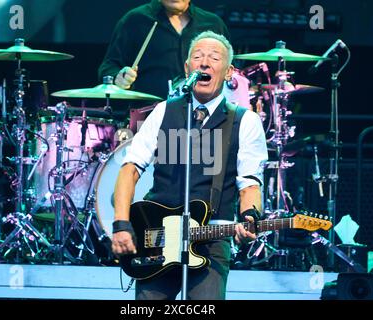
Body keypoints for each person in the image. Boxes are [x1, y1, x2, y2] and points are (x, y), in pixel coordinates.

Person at [111, 31, 268, 300]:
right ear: (187, 68)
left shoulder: (245, 121)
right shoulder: (164, 111)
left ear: (228, 72)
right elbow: (130, 169)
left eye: (214, 58)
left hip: (211, 238)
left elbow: (249, 183)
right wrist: (121, 224)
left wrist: (250, 217)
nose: (204, 63)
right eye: (197, 57)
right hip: (156, 237)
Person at [98, 0, 230, 100]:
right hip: (148, 117)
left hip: (202, 118)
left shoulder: (213, 24)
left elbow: (231, 74)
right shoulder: (135, 20)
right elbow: (109, 67)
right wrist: (119, 78)